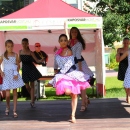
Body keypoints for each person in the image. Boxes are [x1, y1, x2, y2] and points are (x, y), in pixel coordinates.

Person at [49, 34, 90, 123]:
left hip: (71, 73)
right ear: (59, 42)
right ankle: (79, 100)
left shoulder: (69, 51)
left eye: (65, 40)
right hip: (63, 75)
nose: (63, 42)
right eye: (61, 40)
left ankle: (73, 115)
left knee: (73, 94)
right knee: (68, 92)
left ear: (67, 42)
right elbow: (55, 63)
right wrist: (55, 71)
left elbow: (68, 66)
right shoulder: (57, 53)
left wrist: (59, 74)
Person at [68, 27, 95, 111]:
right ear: (70, 33)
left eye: (75, 32)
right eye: (72, 32)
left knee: (82, 83)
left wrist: (80, 69)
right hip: (71, 64)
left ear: (78, 33)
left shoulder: (78, 43)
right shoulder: (68, 42)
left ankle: (83, 104)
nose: (74, 33)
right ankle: (85, 98)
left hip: (79, 63)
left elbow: (78, 56)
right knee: (75, 85)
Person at [0, 40, 24, 117]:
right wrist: (1, 72)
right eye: (8, 46)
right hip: (6, 75)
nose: (10, 48)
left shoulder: (15, 55)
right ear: (5, 47)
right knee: (7, 94)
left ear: (13, 46)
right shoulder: (3, 55)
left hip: (14, 75)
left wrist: (16, 73)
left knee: (14, 93)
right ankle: (7, 107)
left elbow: (18, 65)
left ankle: (14, 110)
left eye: (11, 46)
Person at [19, 38, 43, 108]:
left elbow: (37, 61)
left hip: (31, 69)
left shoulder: (30, 52)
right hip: (24, 70)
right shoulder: (20, 52)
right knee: (27, 86)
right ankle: (33, 96)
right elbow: (18, 61)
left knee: (32, 85)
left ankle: (32, 101)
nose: (24, 45)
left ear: (28, 44)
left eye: (25, 43)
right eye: (23, 43)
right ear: (21, 44)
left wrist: (41, 60)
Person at [116, 38, 129, 102]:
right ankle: (127, 95)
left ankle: (128, 96)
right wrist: (118, 53)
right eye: (125, 42)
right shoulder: (119, 50)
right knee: (125, 82)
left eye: (127, 43)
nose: (126, 44)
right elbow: (117, 60)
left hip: (129, 66)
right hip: (122, 66)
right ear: (123, 43)